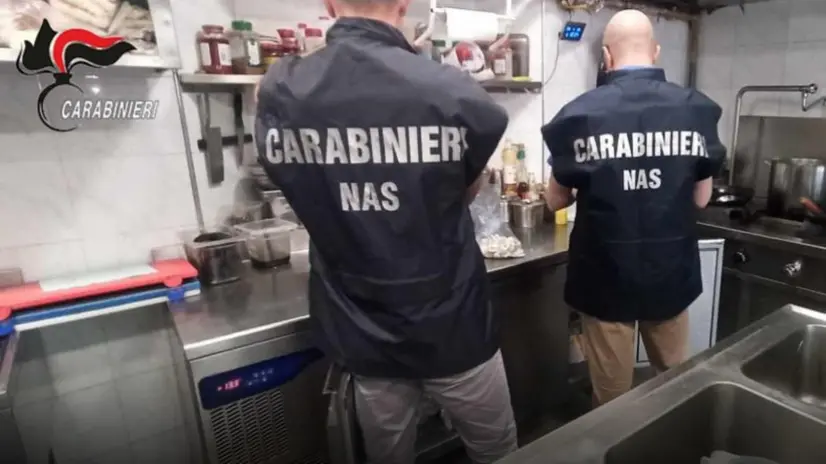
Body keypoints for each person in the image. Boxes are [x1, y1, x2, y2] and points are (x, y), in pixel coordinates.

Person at [254, 1, 518, 462]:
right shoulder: (451, 89)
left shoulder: (283, 87)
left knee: (388, 457)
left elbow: (298, 182)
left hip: (365, 330)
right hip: (453, 323)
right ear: (404, 4)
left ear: (329, 4)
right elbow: (464, 190)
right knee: (498, 452)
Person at [542, 9, 725, 407]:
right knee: (676, 385)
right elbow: (701, 198)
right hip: (669, 275)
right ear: (655, 52)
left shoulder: (580, 115)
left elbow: (556, 199)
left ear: (607, 56)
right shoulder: (696, 110)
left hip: (606, 278)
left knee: (612, 401)